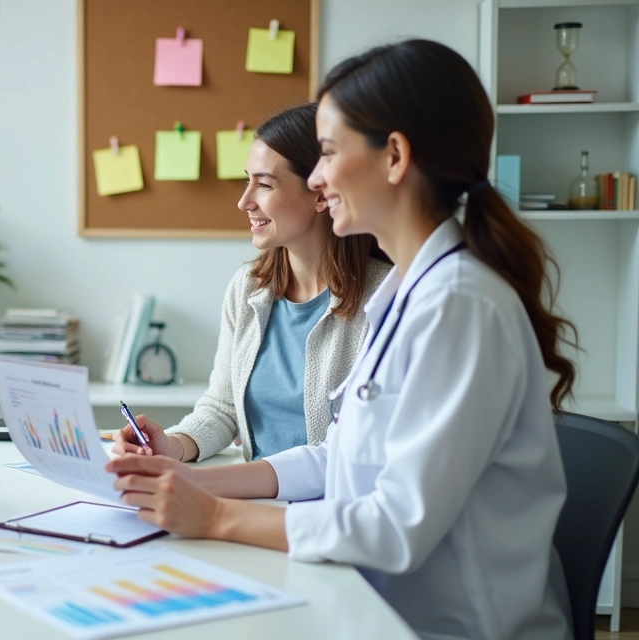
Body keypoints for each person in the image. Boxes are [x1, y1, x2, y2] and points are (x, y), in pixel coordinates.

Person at [108, 39, 576, 640]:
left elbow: (395, 525)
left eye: (327, 153)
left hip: (453, 625)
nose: (320, 177)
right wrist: (191, 478)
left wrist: (220, 518)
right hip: (376, 602)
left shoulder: (460, 306)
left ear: (395, 157)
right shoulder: (410, 293)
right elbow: (341, 459)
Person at [112, 102, 389, 464]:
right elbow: (222, 407)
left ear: (321, 193)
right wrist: (172, 445)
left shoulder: (384, 298)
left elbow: (363, 447)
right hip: (251, 497)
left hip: (325, 506)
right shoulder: (248, 288)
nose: (244, 201)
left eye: (264, 185)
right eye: (248, 180)